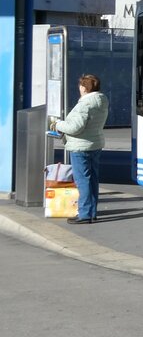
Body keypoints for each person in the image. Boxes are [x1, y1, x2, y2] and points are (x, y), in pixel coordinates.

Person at [48, 74, 109, 224]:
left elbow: (75, 127)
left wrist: (58, 124)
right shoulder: (102, 101)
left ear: (84, 87)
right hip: (95, 144)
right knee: (92, 179)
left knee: (83, 181)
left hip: (80, 146)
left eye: (80, 86)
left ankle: (85, 214)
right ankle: (92, 212)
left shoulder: (85, 104)